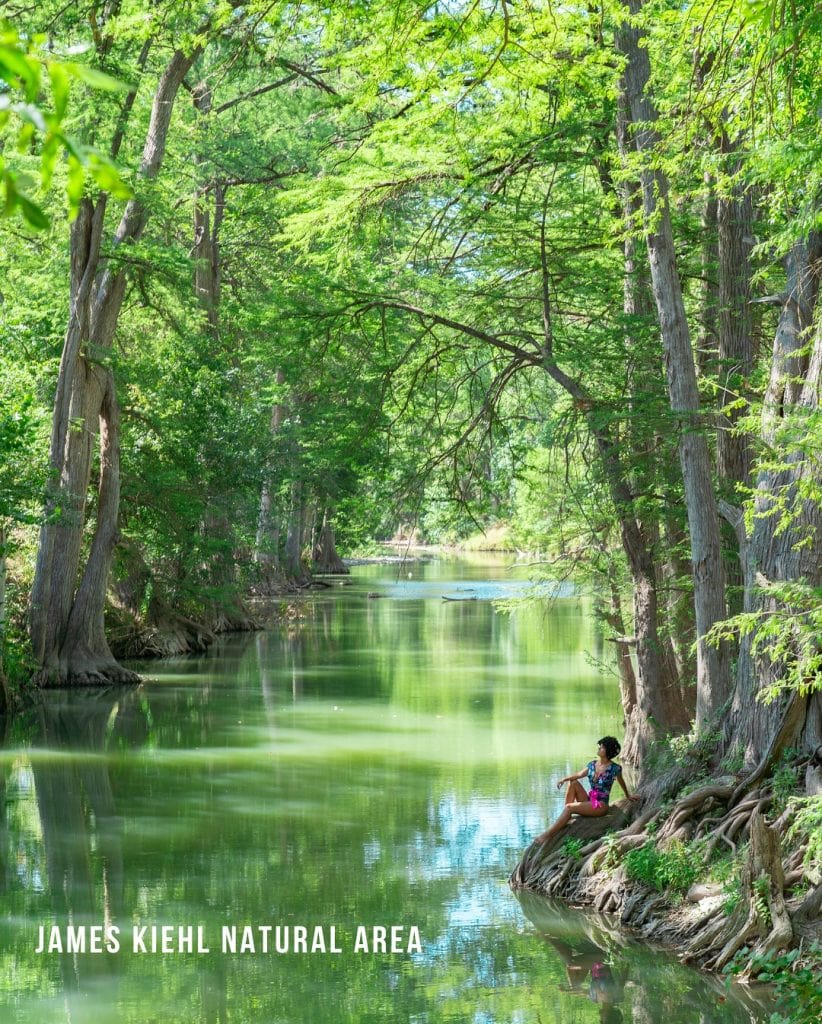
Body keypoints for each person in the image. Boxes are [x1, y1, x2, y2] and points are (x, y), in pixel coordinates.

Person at [534, 736, 639, 845]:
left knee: (569, 807)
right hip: (591, 800)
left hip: (601, 805)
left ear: (608, 750)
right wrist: (564, 779)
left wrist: (628, 795)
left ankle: (546, 836)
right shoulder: (592, 765)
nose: (599, 748)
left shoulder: (615, 768)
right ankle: (566, 816)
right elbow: (579, 774)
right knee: (573, 782)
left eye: (602, 747)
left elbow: (621, 781)